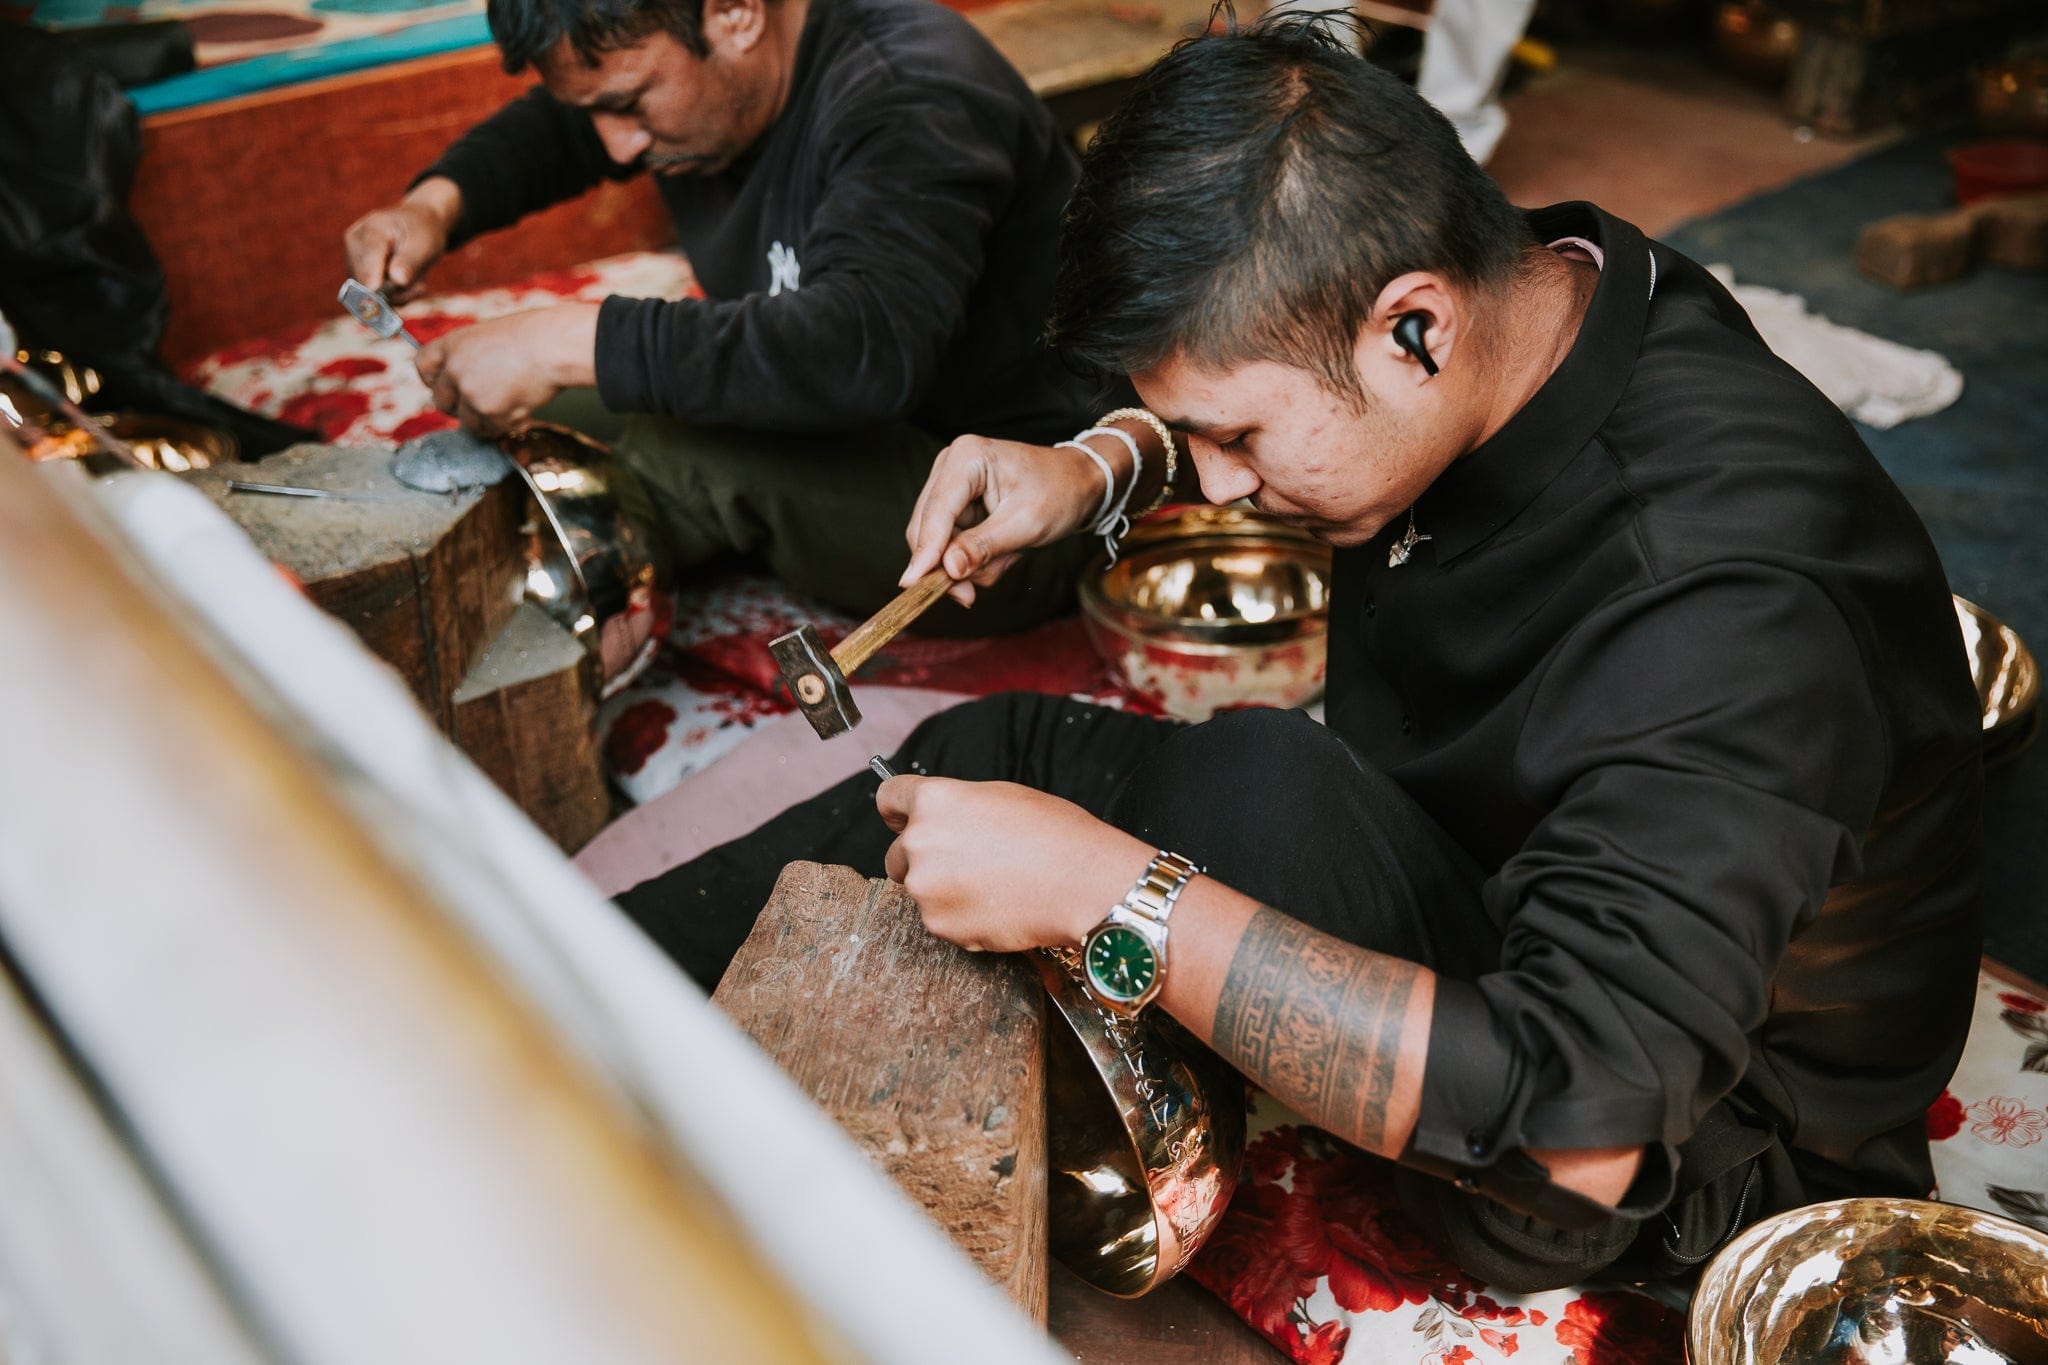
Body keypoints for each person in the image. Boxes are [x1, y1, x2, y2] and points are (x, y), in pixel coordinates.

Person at [615, 14, 1983, 1291]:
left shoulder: (1722, 607)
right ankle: (590, 978)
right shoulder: (1550, 286)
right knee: (992, 762)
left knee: (1209, 798)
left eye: (1238, 438)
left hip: (1677, 1158)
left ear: (1417, 323)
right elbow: (1275, 371)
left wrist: (1117, 897)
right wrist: (1095, 465)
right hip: (1496, 857)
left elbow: (1581, 1131)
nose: (1209, 485)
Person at [342, 0, 1107, 628]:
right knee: (516, 415)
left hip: (1008, 510)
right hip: (854, 418)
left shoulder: (913, 94)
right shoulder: (681, 71)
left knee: (682, 455)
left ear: (736, 13)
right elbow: (564, 121)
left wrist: (565, 338)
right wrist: (433, 207)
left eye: (630, 104)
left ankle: (568, 617)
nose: (618, 143)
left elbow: (860, 350)